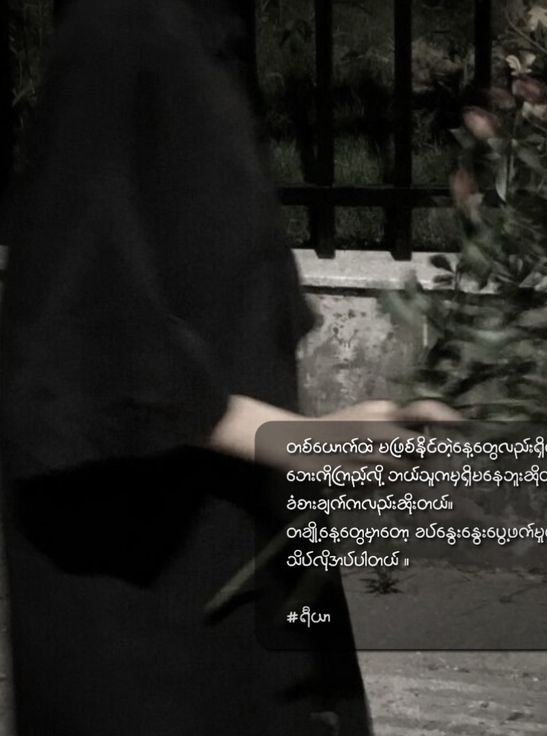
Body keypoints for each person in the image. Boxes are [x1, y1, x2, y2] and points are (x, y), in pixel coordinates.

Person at [0, 1, 456, 734]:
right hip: (145, 575)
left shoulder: (201, 30)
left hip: (230, 535)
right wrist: (302, 443)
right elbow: (85, 314)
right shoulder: (123, 24)